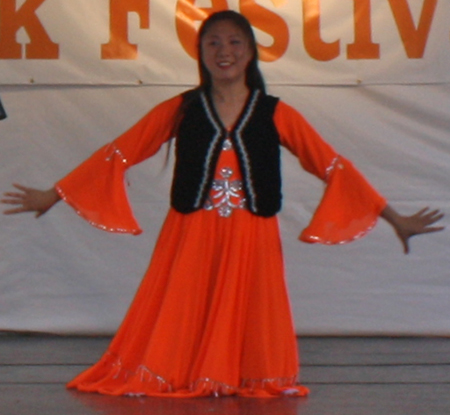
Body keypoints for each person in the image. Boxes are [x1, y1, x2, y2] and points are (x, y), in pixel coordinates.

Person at [1, 11, 444, 398]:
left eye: (234, 42)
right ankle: (181, 370)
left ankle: (234, 373)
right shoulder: (181, 108)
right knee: (184, 305)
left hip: (252, 237)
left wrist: (394, 218)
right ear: (200, 53)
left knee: (246, 313)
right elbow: (120, 151)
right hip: (191, 234)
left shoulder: (275, 113)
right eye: (212, 42)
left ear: (251, 52)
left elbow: (332, 166)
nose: (223, 50)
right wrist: (53, 195)